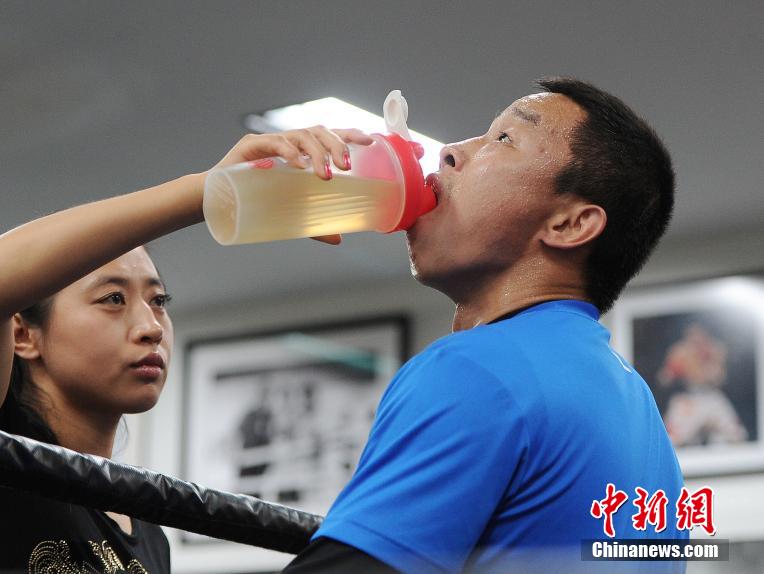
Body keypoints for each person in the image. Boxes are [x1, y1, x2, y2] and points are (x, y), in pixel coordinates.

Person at [0, 125, 373, 573]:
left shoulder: (147, 528)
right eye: (112, 299)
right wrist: (208, 190)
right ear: (23, 335)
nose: (150, 327)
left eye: (159, 301)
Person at [283, 77, 687, 573]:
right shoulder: (643, 420)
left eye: (503, 139)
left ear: (569, 224)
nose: (450, 151)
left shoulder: (480, 370)